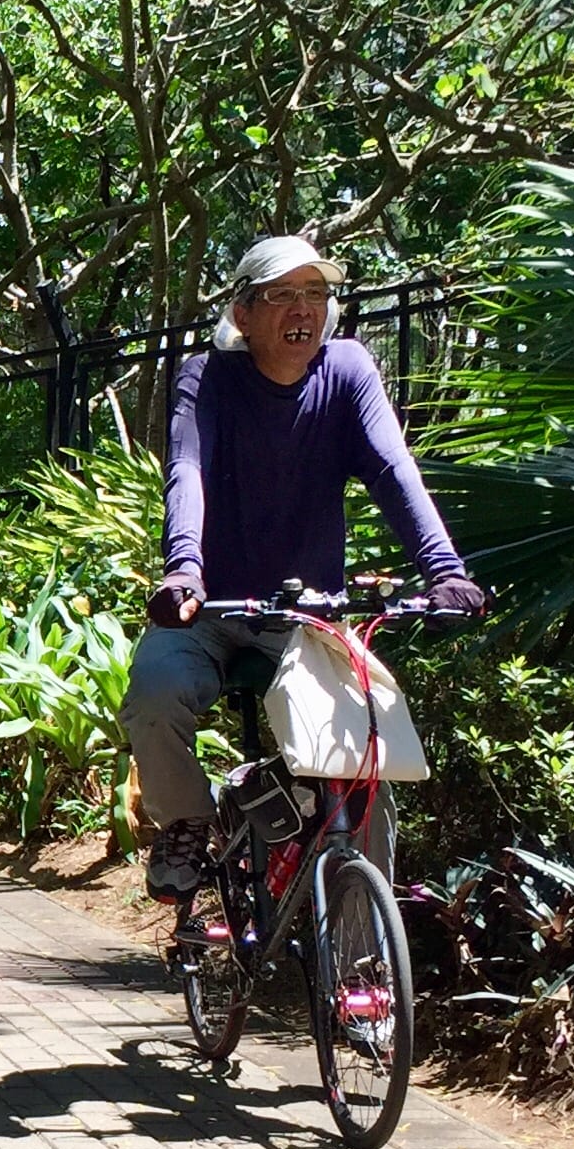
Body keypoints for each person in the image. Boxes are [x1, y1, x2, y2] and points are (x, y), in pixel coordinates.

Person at [128, 233, 486, 901]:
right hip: (208, 607)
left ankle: (363, 918)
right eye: (283, 294)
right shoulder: (206, 377)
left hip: (306, 610)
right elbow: (187, 471)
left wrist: (445, 570)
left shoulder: (347, 369)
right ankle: (185, 822)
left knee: (361, 754)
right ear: (242, 314)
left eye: (316, 293)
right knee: (154, 693)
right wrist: (184, 570)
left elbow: (391, 469)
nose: (304, 308)